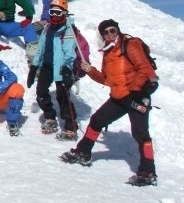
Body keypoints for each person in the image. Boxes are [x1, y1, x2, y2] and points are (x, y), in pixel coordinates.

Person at [61, 19, 160, 186]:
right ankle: (83, 152)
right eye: (105, 32)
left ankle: (148, 172)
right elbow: (107, 79)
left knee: (141, 133)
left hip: (137, 96)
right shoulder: (108, 52)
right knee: (97, 120)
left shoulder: (130, 45)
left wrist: (136, 90)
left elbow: (144, 68)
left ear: (118, 30)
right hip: (119, 97)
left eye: (112, 30)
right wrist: (90, 70)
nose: (109, 34)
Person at [29, 0, 89, 140]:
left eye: (58, 12)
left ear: (64, 13)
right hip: (47, 66)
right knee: (41, 92)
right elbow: (40, 49)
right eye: (52, 12)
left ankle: (70, 127)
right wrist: (34, 66)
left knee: (63, 97)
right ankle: (50, 117)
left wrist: (67, 69)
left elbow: (69, 52)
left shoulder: (68, 30)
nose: (55, 15)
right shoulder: (47, 28)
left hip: (62, 68)